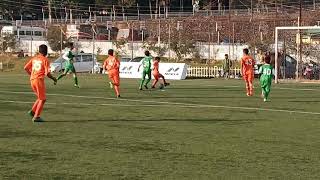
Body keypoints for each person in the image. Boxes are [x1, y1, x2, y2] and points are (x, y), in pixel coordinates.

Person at [24, 44, 57, 122]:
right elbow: (47, 73)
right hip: (38, 80)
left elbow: (25, 68)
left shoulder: (34, 58)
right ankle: (36, 117)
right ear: (46, 51)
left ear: (39, 51)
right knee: (43, 99)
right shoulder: (45, 60)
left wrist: (31, 74)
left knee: (40, 97)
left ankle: (32, 112)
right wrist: (54, 79)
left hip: (32, 80)